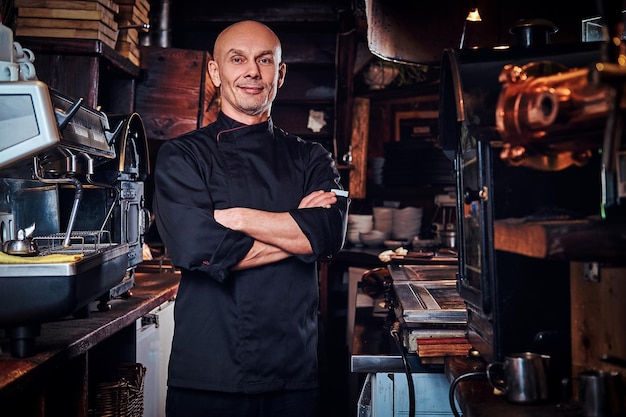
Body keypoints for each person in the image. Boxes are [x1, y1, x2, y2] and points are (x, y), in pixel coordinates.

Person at [152, 20, 349, 417]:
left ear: (281, 73)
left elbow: (328, 235)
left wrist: (238, 218)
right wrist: (298, 234)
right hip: (209, 372)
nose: (252, 72)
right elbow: (194, 247)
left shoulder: (313, 158)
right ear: (214, 72)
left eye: (264, 60)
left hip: (295, 370)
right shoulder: (182, 156)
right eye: (237, 59)